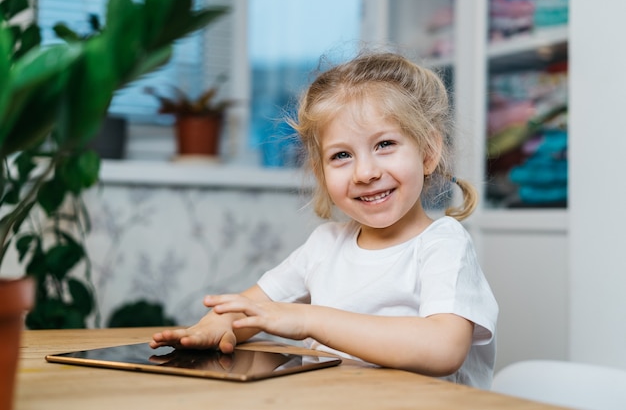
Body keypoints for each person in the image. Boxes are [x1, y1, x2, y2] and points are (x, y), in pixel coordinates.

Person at [151, 52, 499, 389]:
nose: (365, 172)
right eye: (342, 155)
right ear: (320, 172)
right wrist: (212, 328)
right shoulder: (325, 245)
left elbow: (444, 348)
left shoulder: (443, 243)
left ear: (428, 152)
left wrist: (308, 320)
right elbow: (253, 309)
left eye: (385, 144)